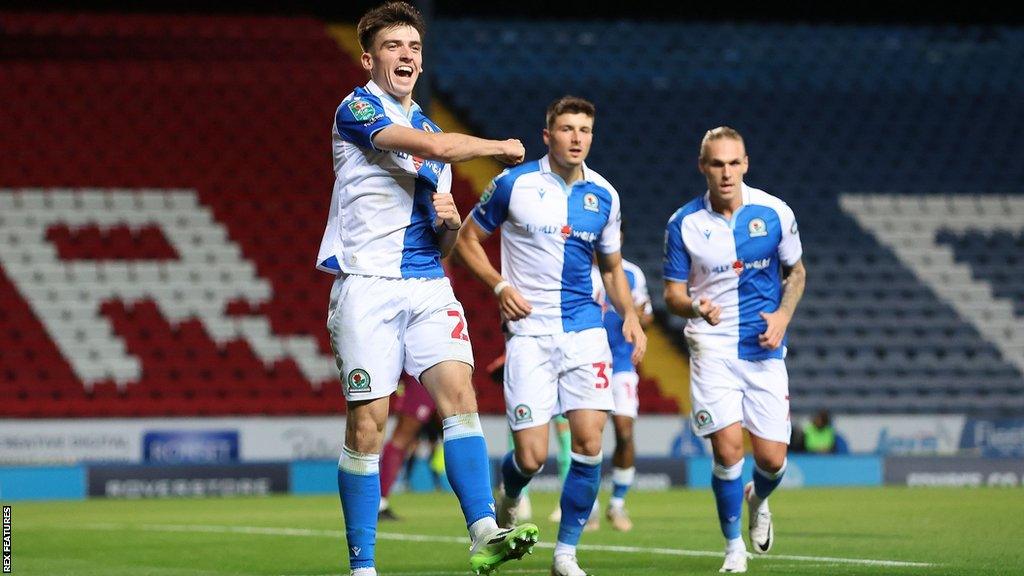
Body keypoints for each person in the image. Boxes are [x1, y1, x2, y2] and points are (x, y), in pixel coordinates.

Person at [315, 3, 538, 575]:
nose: (407, 55)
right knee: (369, 424)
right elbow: (434, 149)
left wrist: (445, 225)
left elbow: (441, 240)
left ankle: (484, 530)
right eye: (393, 46)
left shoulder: (434, 132)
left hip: (426, 282)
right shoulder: (357, 107)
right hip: (366, 285)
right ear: (369, 58)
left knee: (460, 397)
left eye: (413, 47)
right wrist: (498, 148)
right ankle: (363, 565)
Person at [455, 95, 647, 576]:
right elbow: (465, 241)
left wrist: (629, 315)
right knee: (532, 455)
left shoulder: (605, 195)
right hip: (529, 336)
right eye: (567, 129)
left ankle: (566, 554)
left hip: (585, 333)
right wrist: (499, 285)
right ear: (548, 135)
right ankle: (511, 491)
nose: (577, 137)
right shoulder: (513, 184)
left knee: (588, 443)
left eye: (585, 129)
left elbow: (613, 268)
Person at [663, 127, 807, 573]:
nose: (726, 173)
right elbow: (670, 294)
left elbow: (796, 272)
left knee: (772, 460)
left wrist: (783, 316)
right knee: (727, 452)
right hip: (712, 346)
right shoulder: (684, 223)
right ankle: (732, 549)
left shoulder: (775, 212)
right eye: (716, 164)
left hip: (762, 349)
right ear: (703, 167)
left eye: (733, 163)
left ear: (745, 164)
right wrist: (694, 306)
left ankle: (757, 499)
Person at [589, 246, 654, 532]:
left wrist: (639, 316)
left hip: (623, 364)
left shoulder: (630, 273)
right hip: (587, 361)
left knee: (625, 433)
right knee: (589, 436)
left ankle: (617, 503)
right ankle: (588, 506)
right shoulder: (578, 268)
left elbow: (647, 317)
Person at [377, 373, 440, 520]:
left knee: (401, 441)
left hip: (427, 373)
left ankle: (378, 502)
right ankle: (378, 503)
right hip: (424, 372)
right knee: (400, 439)